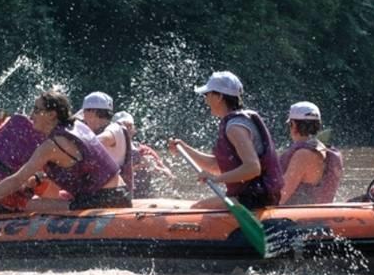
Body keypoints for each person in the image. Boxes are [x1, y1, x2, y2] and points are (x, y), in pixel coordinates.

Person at [0, 89, 130, 220]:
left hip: (102, 200)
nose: (31, 115)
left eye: (37, 110)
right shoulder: (77, 126)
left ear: (52, 114)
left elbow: (16, 180)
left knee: (21, 204)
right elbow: (77, 167)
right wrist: (36, 179)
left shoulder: (51, 146)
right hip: (120, 193)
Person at [167, 71, 283, 209]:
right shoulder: (235, 123)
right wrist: (185, 149)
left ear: (219, 97)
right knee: (197, 207)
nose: (205, 100)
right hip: (254, 195)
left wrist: (216, 179)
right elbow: (217, 166)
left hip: (254, 199)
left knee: (196, 209)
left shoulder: (235, 128)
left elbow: (253, 168)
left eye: (207, 94)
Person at [278, 101, 343, 204]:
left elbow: (280, 197)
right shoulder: (327, 152)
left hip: (297, 218)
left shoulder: (302, 156)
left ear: (293, 125)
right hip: (319, 216)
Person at [113, 111, 174, 198]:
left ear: (134, 129)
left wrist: (153, 167)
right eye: (122, 126)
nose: (126, 129)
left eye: (129, 126)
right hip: (117, 198)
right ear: (113, 131)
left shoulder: (144, 151)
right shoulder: (107, 151)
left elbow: (169, 176)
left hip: (144, 199)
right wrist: (137, 167)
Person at [81, 92, 133, 192]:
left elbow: (99, 141)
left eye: (84, 113)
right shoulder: (105, 129)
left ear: (93, 113)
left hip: (111, 193)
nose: (84, 118)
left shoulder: (114, 128)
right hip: (105, 191)